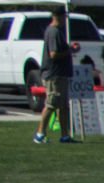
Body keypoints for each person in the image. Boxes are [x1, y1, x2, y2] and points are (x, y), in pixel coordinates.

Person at [33, 8, 73, 144]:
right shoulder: (53, 31)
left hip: (61, 73)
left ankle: (65, 135)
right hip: (54, 74)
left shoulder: (57, 31)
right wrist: (69, 51)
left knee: (63, 106)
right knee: (51, 104)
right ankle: (40, 134)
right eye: (63, 17)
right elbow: (53, 54)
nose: (64, 20)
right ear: (57, 16)